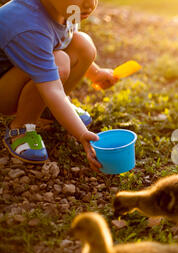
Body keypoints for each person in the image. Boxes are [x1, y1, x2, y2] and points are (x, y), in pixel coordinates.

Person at [0, 0, 119, 170]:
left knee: (83, 43)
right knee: (59, 62)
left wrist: (96, 73)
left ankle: (48, 110)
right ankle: (22, 126)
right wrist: (81, 133)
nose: (90, 4)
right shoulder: (29, 24)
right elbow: (52, 88)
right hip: (4, 92)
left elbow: (67, 42)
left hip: (26, 71)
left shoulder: (66, 9)